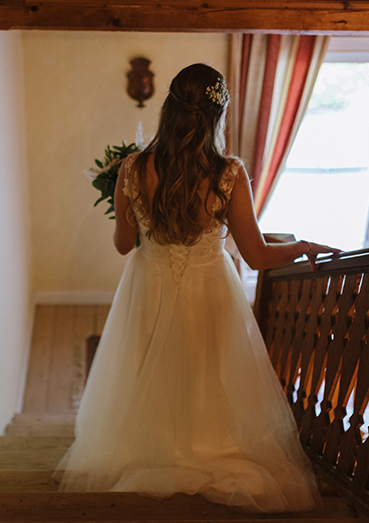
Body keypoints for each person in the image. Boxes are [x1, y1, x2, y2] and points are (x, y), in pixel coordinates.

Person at [55, 63, 339, 512]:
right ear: (217, 116)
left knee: (148, 365)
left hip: (149, 285)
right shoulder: (230, 174)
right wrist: (302, 246)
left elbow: (124, 246)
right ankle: (203, 445)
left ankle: (152, 446)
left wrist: (131, 212)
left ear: (169, 107)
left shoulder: (132, 168)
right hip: (209, 290)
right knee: (206, 371)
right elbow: (257, 256)